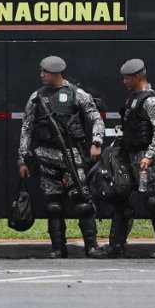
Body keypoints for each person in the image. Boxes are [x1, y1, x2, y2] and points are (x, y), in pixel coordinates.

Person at [17, 56, 103, 258]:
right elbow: (26, 129)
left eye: (45, 72)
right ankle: (58, 248)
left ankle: (92, 246)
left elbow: (95, 118)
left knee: (82, 202)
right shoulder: (36, 97)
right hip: (46, 156)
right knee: (53, 205)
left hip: (71, 154)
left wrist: (96, 142)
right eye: (41, 71)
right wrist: (22, 158)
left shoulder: (77, 94)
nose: (41, 75)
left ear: (56, 73)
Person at [92, 59, 155, 259]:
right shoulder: (133, 99)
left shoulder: (151, 100)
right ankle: (116, 246)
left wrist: (149, 155)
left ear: (137, 77)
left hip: (146, 160)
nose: (124, 81)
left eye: (127, 77)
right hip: (128, 156)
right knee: (123, 201)